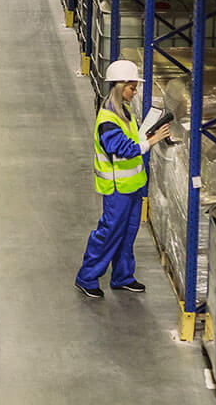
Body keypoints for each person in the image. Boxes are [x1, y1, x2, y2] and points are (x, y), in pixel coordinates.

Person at [75, 59, 171, 299]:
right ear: (119, 87)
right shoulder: (108, 118)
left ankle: (122, 277)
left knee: (128, 234)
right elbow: (122, 148)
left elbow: (130, 140)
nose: (135, 91)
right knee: (109, 233)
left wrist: (144, 136)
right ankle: (86, 277)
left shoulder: (123, 110)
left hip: (133, 184)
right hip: (116, 189)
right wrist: (151, 141)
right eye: (131, 87)